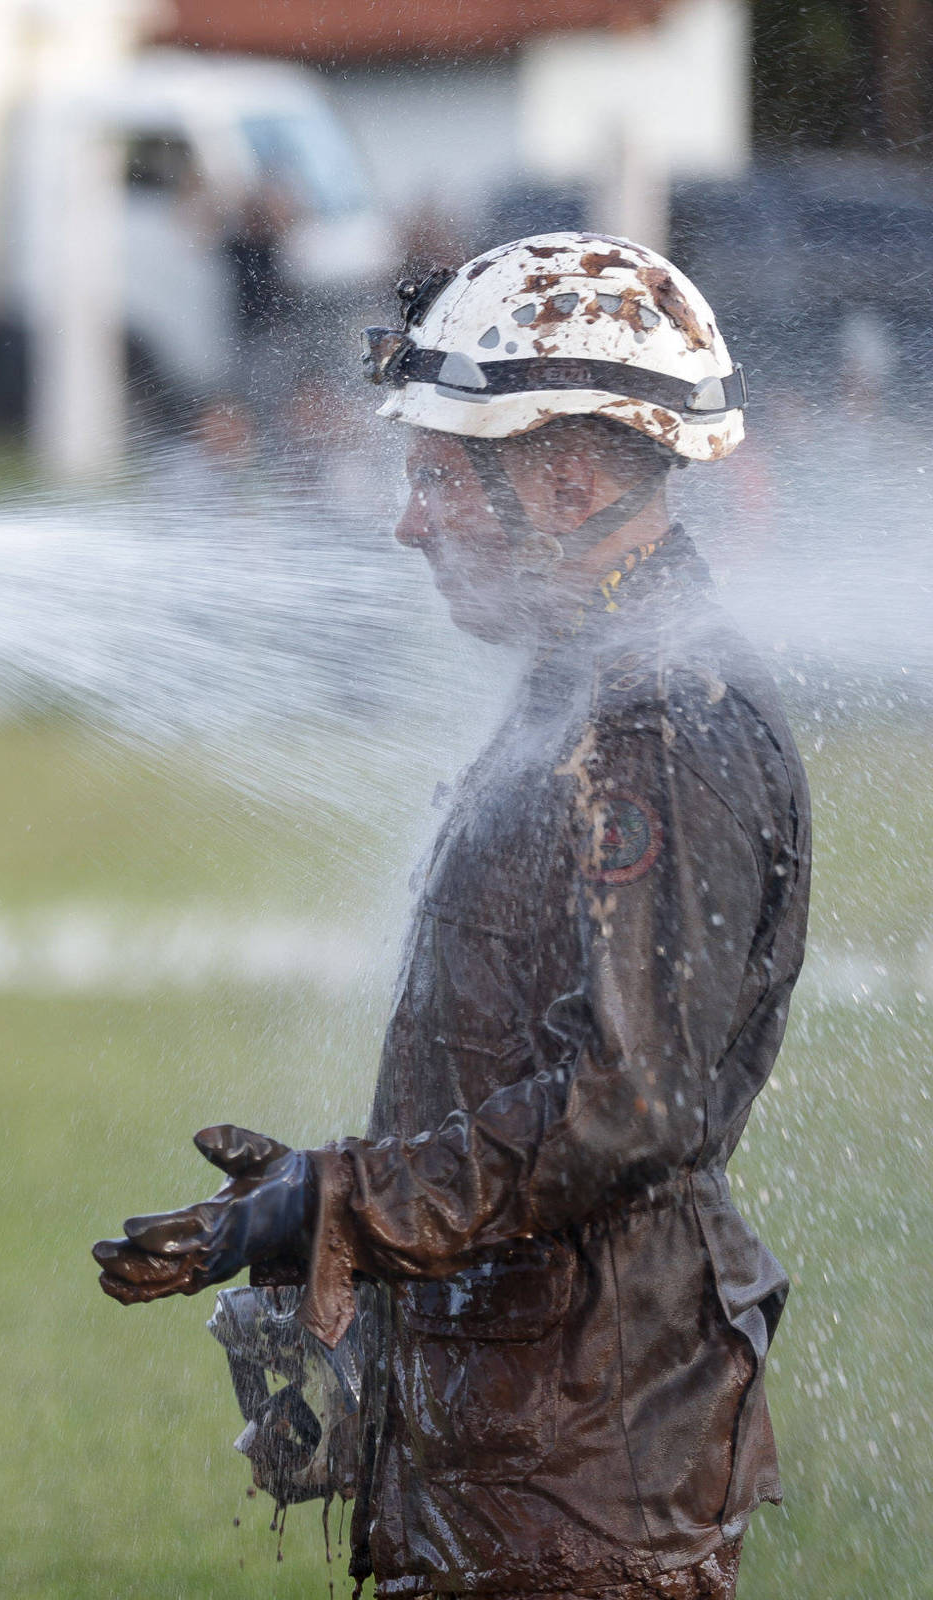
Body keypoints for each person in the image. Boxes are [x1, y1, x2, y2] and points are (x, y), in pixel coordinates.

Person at [92, 233, 807, 1599]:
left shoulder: (659, 724)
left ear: (572, 475)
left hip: (578, 1482)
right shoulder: (581, 690)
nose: (408, 520)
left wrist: (336, 1199)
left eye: (436, 476)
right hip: (531, 1441)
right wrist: (321, 1224)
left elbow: (626, 1104)